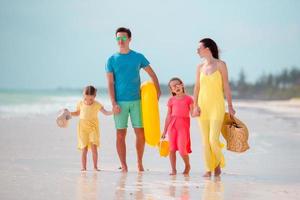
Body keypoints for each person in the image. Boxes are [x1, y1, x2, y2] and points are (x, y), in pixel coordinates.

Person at [105, 27, 161, 172]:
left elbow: (153, 75)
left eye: (123, 38)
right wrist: (113, 103)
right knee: (120, 134)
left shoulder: (138, 57)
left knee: (140, 133)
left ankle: (139, 163)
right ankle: (123, 165)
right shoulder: (111, 60)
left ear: (130, 39)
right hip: (120, 102)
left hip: (137, 101)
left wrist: (158, 91)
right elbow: (110, 83)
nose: (121, 41)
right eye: (118, 38)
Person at [193, 38, 236, 177]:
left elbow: (226, 86)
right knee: (205, 142)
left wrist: (230, 105)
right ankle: (209, 168)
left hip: (216, 106)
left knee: (213, 140)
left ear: (208, 48)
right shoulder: (199, 67)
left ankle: (218, 162)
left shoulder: (221, 65)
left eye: (199, 48)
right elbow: (197, 87)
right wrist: (195, 106)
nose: (197, 50)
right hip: (202, 106)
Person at [70, 85, 113, 171]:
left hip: (93, 128)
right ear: (83, 96)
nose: (89, 101)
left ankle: (95, 167)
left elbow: (106, 112)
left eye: (91, 99)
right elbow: (77, 113)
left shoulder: (97, 104)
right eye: (86, 99)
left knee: (94, 147)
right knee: (84, 149)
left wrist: (113, 112)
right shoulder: (81, 103)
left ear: (94, 96)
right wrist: (69, 113)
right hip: (82, 129)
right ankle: (84, 167)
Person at [162, 77, 194, 175]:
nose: (176, 87)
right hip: (172, 126)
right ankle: (173, 170)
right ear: (171, 90)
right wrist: (164, 131)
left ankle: (187, 165)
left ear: (182, 85)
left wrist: (199, 110)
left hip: (183, 127)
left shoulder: (189, 99)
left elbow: (193, 113)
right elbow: (168, 116)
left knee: (182, 150)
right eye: (173, 86)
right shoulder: (171, 100)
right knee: (171, 149)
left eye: (177, 84)